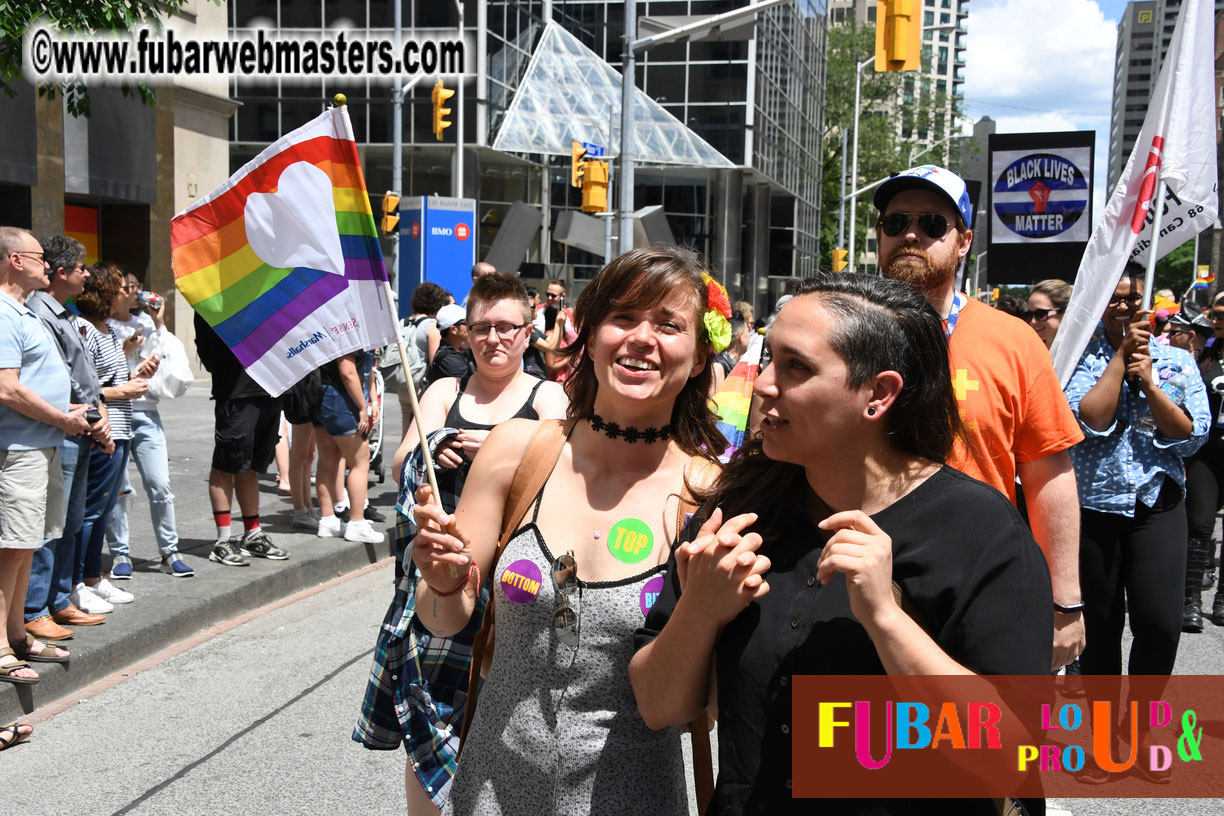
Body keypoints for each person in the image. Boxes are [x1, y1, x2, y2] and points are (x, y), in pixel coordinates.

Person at [631, 275, 1053, 815]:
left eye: (796, 367)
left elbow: (1014, 755)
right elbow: (657, 705)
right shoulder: (737, 513)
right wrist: (700, 612)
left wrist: (887, 620)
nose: (761, 385)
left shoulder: (984, 533)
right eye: (767, 359)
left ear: (879, 394)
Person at [406, 248, 729, 815]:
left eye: (668, 324)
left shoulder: (708, 495)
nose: (641, 339)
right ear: (591, 331)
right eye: (623, 317)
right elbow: (445, 620)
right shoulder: (517, 450)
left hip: (636, 799)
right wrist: (438, 583)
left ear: (700, 355)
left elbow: (708, 698)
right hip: (494, 790)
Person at [360, 271, 568, 814]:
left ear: (528, 333)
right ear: (465, 333)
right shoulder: (444, 390)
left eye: (506, 327)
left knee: (512, 722)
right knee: (432, 719)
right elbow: (404, 462)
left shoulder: (549, 396)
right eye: (481, 328)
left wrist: (502, 455)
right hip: (441, 579)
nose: (493, 339)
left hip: (516, 587)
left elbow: (571, 472)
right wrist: (440, 441)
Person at [874, 165, 1086, 671]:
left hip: (980, 582)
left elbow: (1047, 473)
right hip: (860, 578)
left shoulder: (1013, 341)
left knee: (982, 742)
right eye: (896, 221)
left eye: (931, 224)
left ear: (964, 240)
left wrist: (1065, 600)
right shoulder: (840, 329)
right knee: (861, 739)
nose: (910, 234)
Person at [1064, 269, 1208, 686]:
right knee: (1101, 628)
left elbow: (1190, 433)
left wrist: (1149, 383)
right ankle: (1107, 734)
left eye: (1133, 298)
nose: (1124, 306)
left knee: (1161, 624)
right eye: (1115, 297)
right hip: (1094, 507)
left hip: (1156, 505)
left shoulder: (1176, 360)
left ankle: (1140, 727)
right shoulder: (1076, 359)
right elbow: (1089, 420)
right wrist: (1119, 357)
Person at [0, 227, 89, 684]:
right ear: (15, 260)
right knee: (10, 545)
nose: (47, 265)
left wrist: (63, 412)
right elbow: (6, 387)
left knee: (27, 542)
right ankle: (1, 644)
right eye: (38, 256)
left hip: (42, 442)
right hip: (19, 448)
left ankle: (17, 633)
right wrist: (60, 418)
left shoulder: (22, 310)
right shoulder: (3, 311)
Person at [24, 235, 111, 640]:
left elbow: (85, 376)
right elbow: (60, 378)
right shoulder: (39, 313)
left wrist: (98, 417)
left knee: (69, 522)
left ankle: (59, 600)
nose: (87, 274)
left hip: (81, 426)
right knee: (50, 524)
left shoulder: (61, 312)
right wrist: (93, 419)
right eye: (81, 268)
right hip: (65, 428)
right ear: (61, 273)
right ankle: (35, 606)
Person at [104, 270, 193, 577]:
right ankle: (120, 554)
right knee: (117, 489)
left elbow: (168, 362)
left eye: (137, 288)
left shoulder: (144, 323)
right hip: (115, 411)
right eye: (128, 289)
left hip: (146, 411)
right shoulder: (100, 325)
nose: (134, 294)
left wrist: (159, 322)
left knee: (160, 484)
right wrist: (126, 354)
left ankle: (170, 550)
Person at [74, 262, 151, 612]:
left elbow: (104, 379)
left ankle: (92, 578)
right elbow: (86, 390)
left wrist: (133, 372)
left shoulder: (106, 330)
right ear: (105, 292)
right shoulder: (85, 329)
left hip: (120, 429)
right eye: (122, 287)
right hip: (102, 431)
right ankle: (78, 581)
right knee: (90, 511)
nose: (130, 293)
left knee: (103, 508)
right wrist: (126, 390)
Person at [194, 312, 289, 566]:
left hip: (269, 387)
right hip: (236, 391)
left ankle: (252, 533)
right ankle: (223, 540)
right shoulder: (213, 296)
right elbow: (207, 350)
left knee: (252, 466)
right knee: (226, 464)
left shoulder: (263, 288)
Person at [1179, 293, 1224, 631]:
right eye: (1216, 312)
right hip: (1206, 453)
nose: (1218, 318)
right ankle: (1190, 599)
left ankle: (1222, 600)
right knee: (1200, 523)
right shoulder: (1206, 357)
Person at [313, 349, 383, 543]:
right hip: (341, 399)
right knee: (360, 461)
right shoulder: (347, 329)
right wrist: (363, 406)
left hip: (322, 395)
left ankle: (327, 520)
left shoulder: (330, 324)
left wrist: (370, 401)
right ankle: (357, 522)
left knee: (328, 458)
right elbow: (347, 371)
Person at [425, 304, 472, 387]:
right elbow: (473, 383)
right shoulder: (448, 359)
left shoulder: (458, 351)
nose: (470, 326)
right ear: (453, 330)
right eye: (466, 323)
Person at [1026, 279, 1071, 350]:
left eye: (1041, 314)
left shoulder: (1089, 358)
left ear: (1065, 314)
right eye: (1029, 315)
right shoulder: (1027, 355)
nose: (1032, 322)